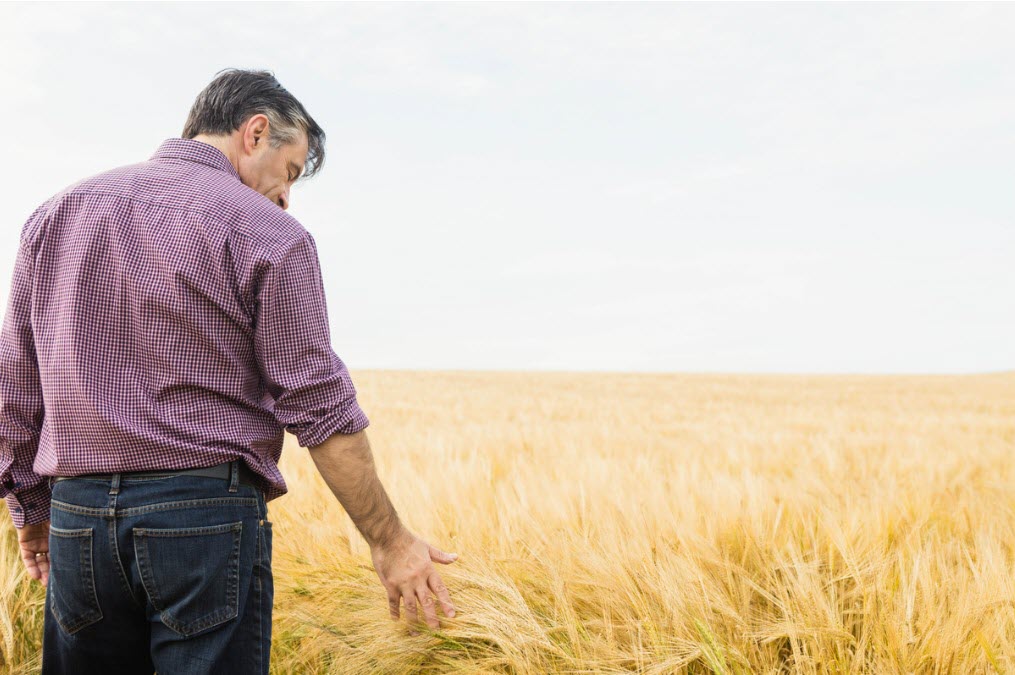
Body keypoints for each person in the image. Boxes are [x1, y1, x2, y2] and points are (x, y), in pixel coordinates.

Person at [0, 67, 458, 674]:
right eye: (290, 171)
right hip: (202, 521)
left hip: (76, 520)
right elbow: (319, 406)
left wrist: (31, 513)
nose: (287, 195)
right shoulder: (270, 233)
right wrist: (391, 541)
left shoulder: (56, 215)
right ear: (256, 131)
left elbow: (15, 383)